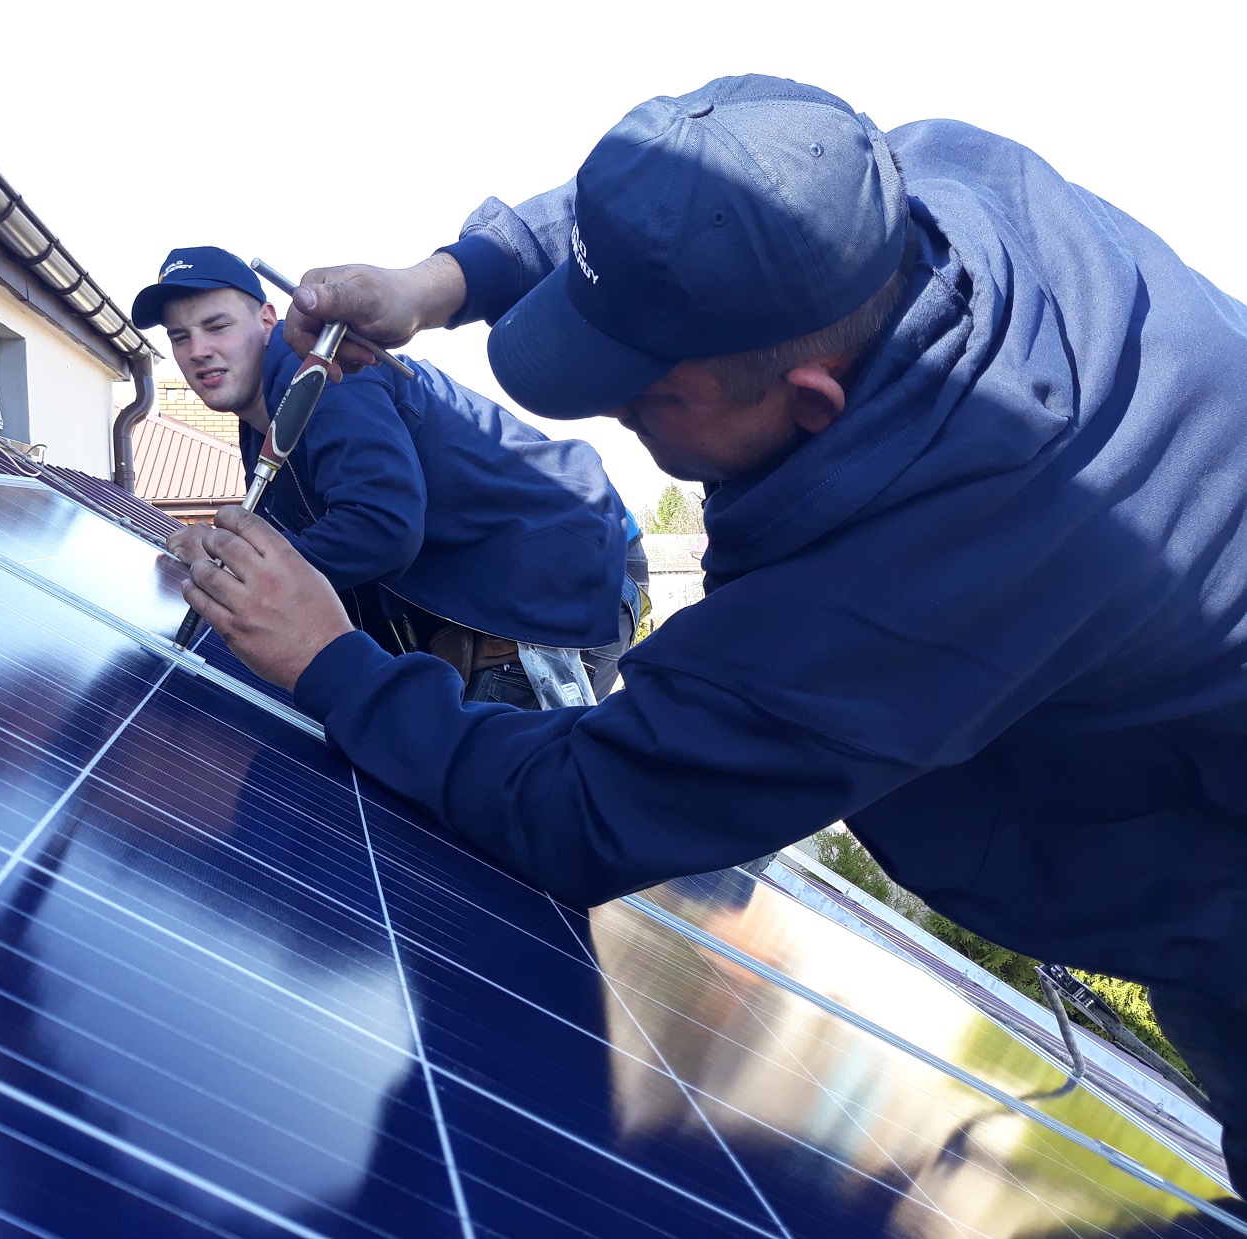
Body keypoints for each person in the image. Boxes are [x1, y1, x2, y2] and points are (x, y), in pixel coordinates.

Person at [170, 77, 1247, 1191]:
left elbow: (589, 805)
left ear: (810, 398)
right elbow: (682, 216)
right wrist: (441, 283)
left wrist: (327, 658)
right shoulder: (916, 184)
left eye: (639, 395)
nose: (604, 412)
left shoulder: (921, 573)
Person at [131, 246, 634, 707]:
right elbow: (311, 552)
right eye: (180, 337)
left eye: (215, 326)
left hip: (565, 564)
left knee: (471, 780)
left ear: (267, 320)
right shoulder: (256, 427)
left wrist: (227, 575)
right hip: (498, 587)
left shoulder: (325, 373)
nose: (197, 349)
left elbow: (380, 526)